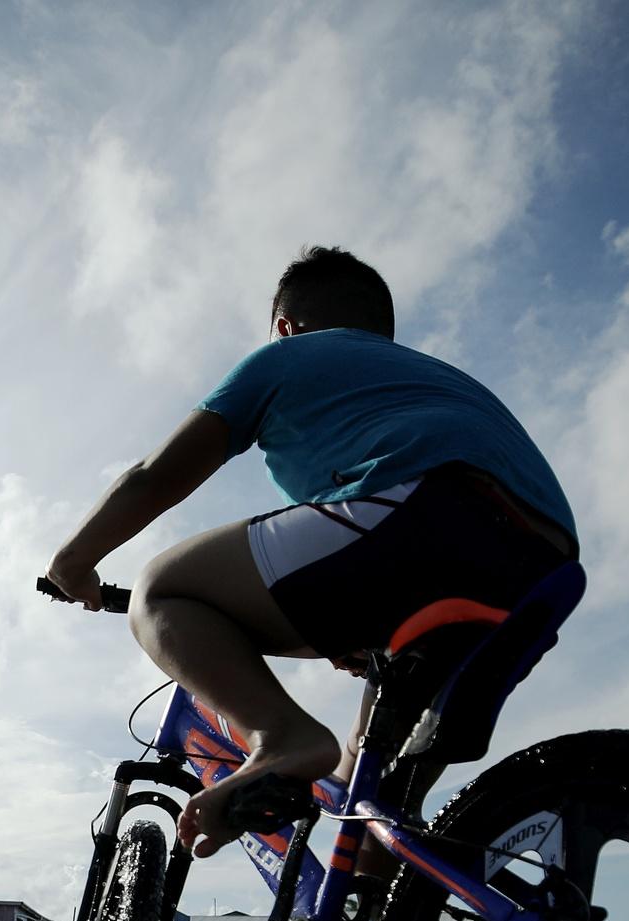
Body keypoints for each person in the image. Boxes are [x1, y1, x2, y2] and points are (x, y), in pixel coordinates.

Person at [42, 246, 579, 858]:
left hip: (430, 513)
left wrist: (75, 562)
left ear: (285, 329)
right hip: (541, 568)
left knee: (161, 590)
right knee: (371, 799)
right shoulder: (435, 381)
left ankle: (279, 735)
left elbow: (155, 477)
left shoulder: (289, 356)